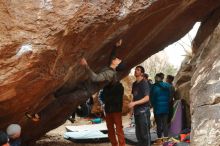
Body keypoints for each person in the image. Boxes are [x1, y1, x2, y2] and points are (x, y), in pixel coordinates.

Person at [129, 65, 151, 146]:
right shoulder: (134, 84)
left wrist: (134, 103)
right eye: (135, 69)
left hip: (144, 111)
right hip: (137, 112)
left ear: (142, 73)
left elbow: (147, 98)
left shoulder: (144, 83)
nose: (135, 71)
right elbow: (133, 98)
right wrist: (131, 111)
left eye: (138, 70)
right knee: (138, 134)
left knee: (145, 134)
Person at [101, 80, 126, 146]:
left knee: (119, 130)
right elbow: (103, 98)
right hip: (108, 110)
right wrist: (109, 98)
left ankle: (122, 145)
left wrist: (108, 98)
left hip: (116, 110)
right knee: (110, 130)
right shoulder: (106, 87)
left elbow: (116, 99)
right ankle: (114, 144)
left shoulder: (119, 86)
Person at [150, 73, 171, 138]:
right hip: (165, 108)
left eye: (155, 77)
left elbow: (152, 98)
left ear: (158, 78)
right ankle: (166, 140)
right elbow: (169, 96)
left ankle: (159, 139)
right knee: (165, 124)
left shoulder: (154, 87)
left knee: (158, 124)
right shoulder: (167, 86)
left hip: (157, 108)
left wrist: (153, 105)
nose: (155, 78)